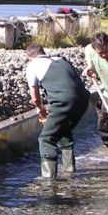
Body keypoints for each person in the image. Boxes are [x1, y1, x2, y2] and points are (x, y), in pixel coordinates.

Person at [25, 43, 89, 180]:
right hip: (84, 99)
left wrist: (41, 109)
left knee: (46, 138)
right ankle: (69, 172)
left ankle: (48, 180)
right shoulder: (61, 60)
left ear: (29, 57)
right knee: (62, 129)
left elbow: (35, 97)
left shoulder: (33, 65)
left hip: (64, 101)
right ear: (43, 52)